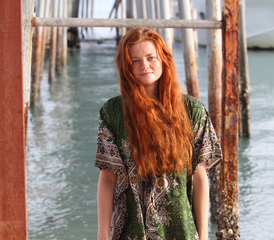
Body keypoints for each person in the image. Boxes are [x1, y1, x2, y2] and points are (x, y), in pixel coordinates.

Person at [95, 27, 222, 240]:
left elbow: (200, 177)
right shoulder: (113, 112)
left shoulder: (193, 111)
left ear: (163, 59)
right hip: (132, 231)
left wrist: (203, 235)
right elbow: (108, 176)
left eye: (150, 57)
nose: (144, 65)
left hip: (181, 230)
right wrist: (102, 233)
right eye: (135, 60)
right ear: (126, 66)